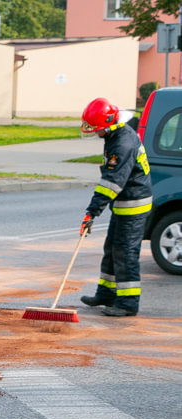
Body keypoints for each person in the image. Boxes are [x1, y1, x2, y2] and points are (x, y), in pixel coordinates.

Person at [78, 97, 152, 317]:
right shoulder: (115, 134)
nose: (95, 133)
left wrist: (92, 212)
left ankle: (128, 303)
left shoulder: (122, 144)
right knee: (112, 248)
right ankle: (106, 294)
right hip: (123, 203)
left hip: (133, 204)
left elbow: (111, 182)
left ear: (109, 124)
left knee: (125, 253)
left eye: (97, 129)